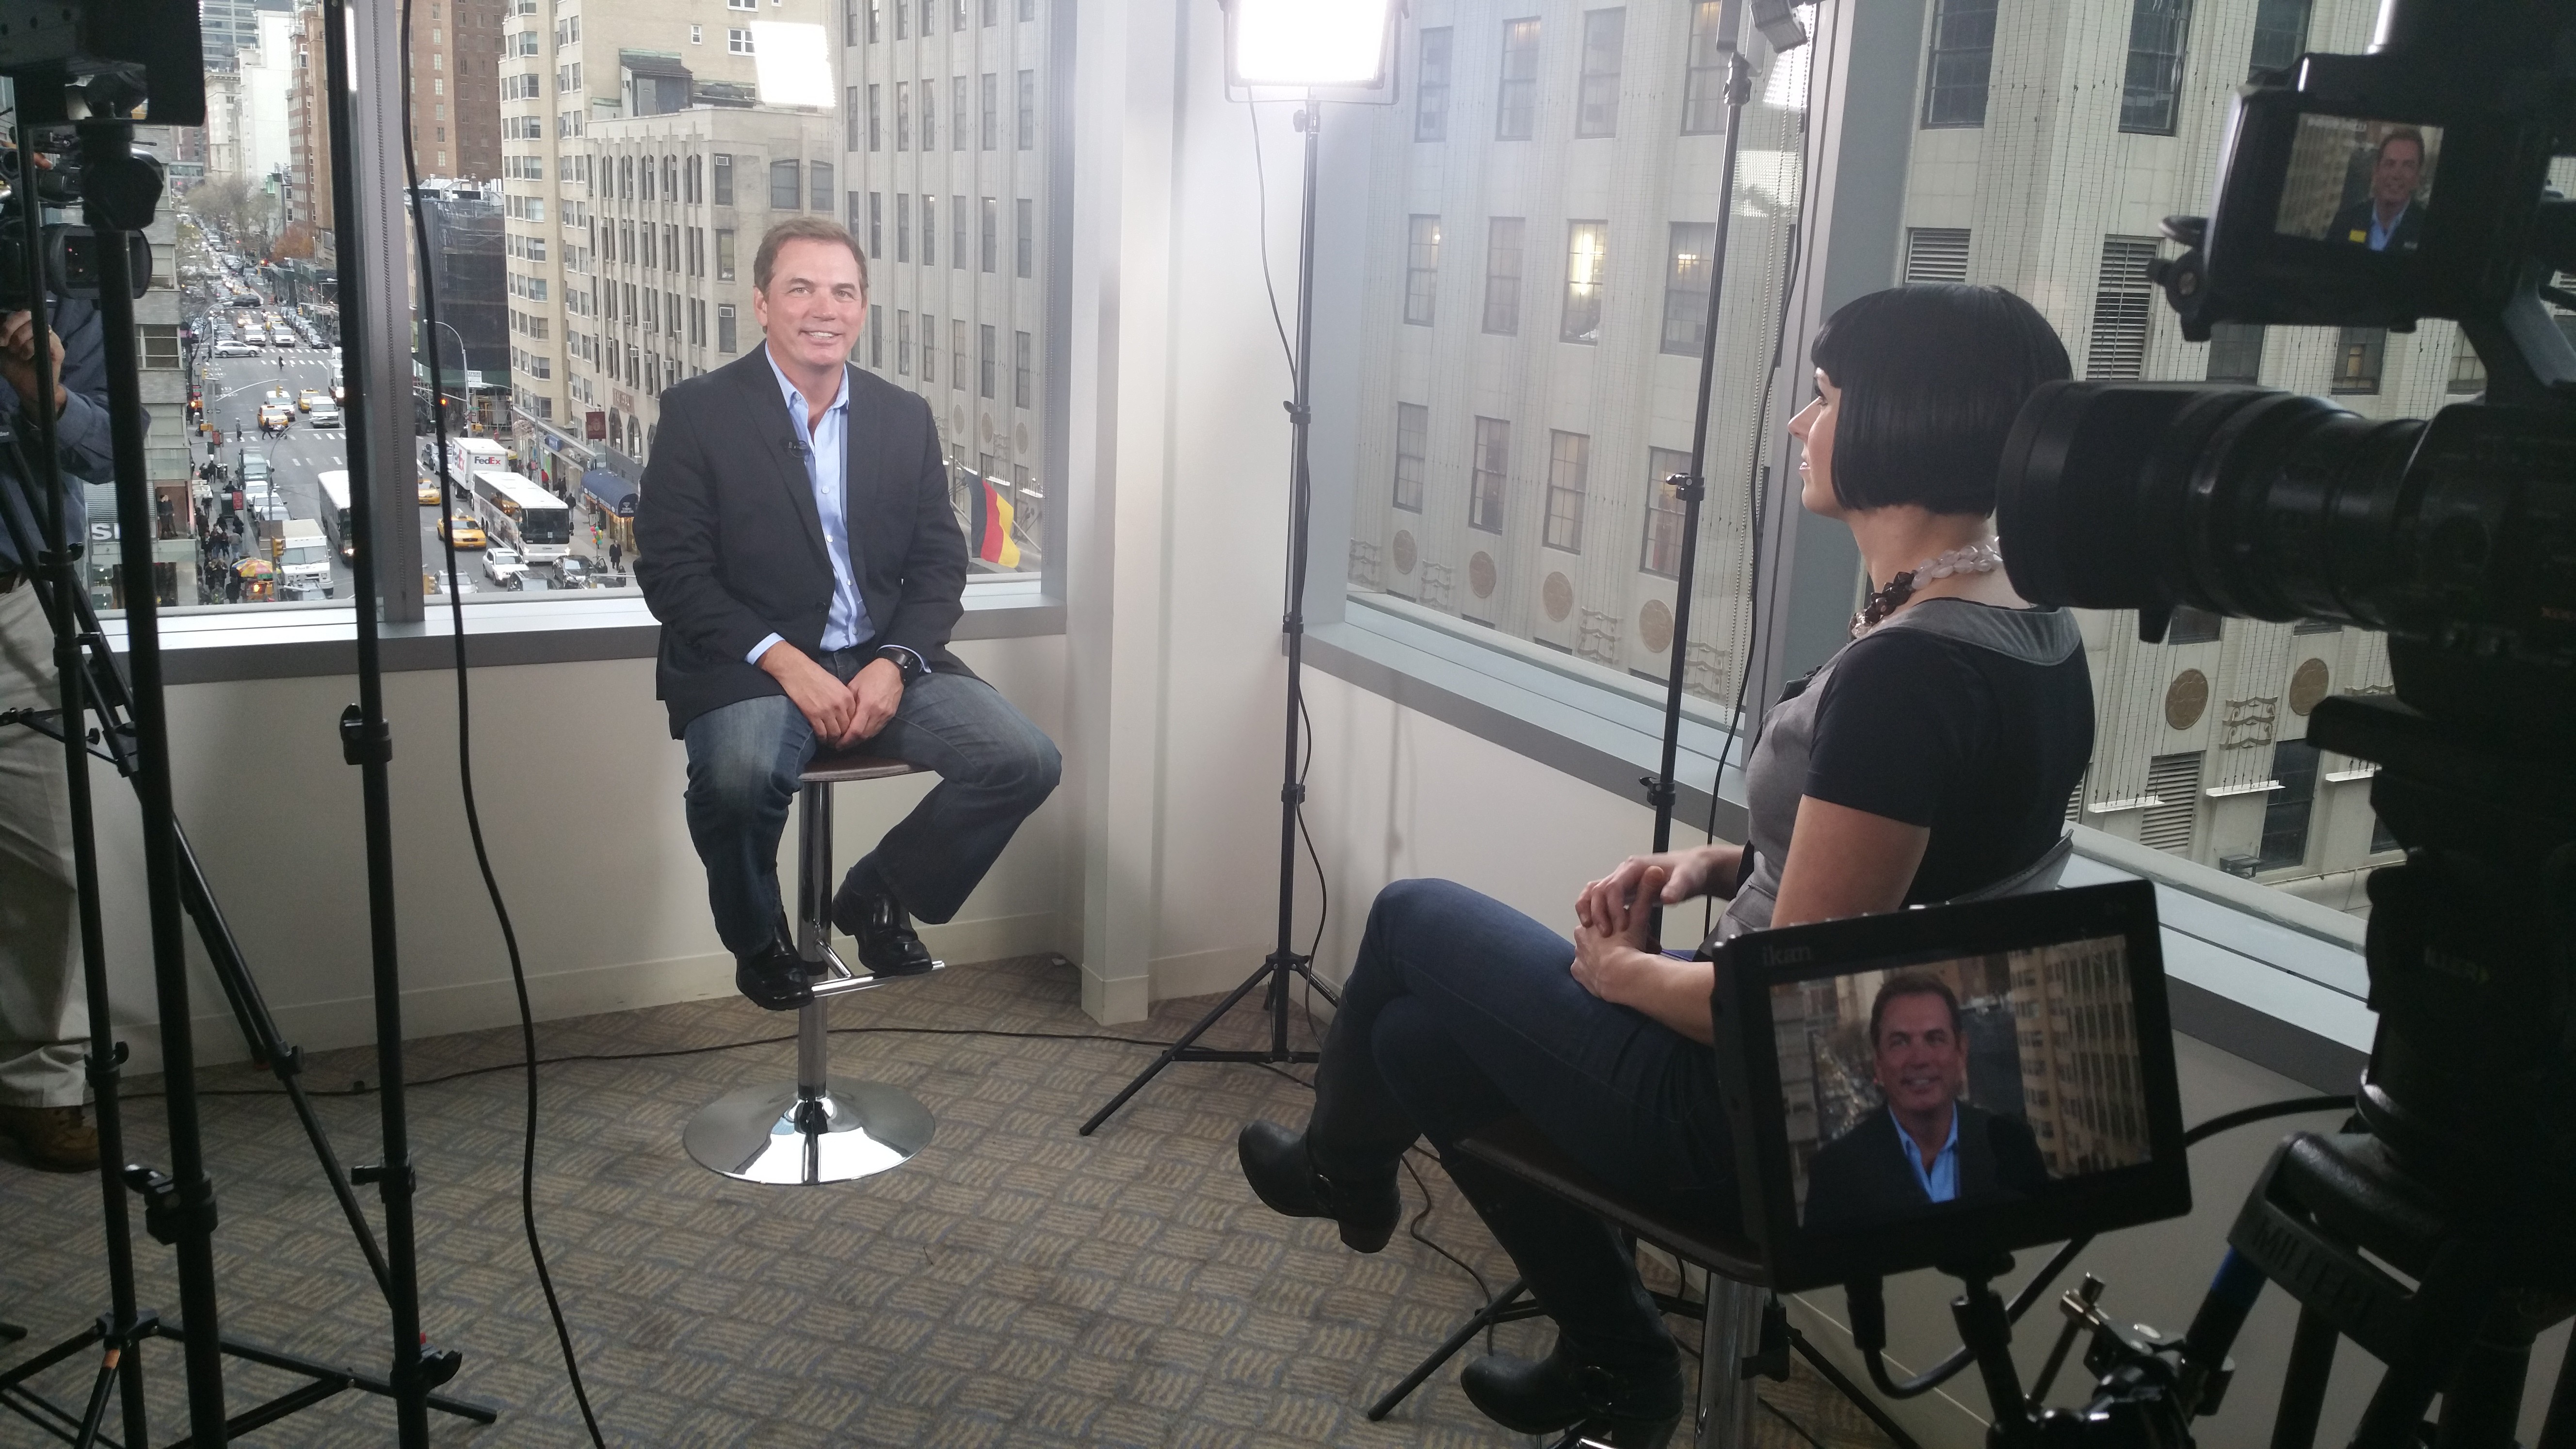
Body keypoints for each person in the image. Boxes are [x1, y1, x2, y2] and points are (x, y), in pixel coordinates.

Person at [1234, 284, 2092, 1448]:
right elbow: (1934, 858)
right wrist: (1718, 860)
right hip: (1875, 1096)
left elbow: (1776, 1004)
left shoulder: (1909, 675)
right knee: (1409, 1043)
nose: (1799, 424)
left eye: (1826, 398)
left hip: (1754, 1121)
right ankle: (1617, 1358)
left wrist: (1615, 974)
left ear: (1902, 420)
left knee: (1405, 917)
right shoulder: (2029, 628)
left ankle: (1341, 1170)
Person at [636, 216, 1060, 1011]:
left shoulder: (904, 418)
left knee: (1024, 759)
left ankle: (874, 893)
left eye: (843, 291)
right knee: (738, 778)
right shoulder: (701, 412)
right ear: (762, 304)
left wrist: (895, 663)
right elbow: (672, 573)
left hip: (876, 650)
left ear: (862, 309)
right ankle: (760, 937)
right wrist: (784, 659)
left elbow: (938, 567)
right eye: (800, 288)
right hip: (750, 661)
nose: (822, 307)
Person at [0, 298, 124, 1171]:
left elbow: (108, 450)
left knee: (55, 863)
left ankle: (38, 1084)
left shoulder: (45, 283)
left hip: (17, 600)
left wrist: (40, 391)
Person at [1800, 975, 2049, 1229]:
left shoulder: (2013, 1146)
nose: (1919, 1059)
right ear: (1878, 1061)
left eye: (1935, 1038)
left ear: (1961, 1052)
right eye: (1900, 1042)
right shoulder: (1835, 1174)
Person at [2328, 129, 2427, 253]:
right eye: (2390, 164)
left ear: (2417, 178)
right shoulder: (2344, 222)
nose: (2396, 175)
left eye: (2408, 166)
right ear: (2376, 172)